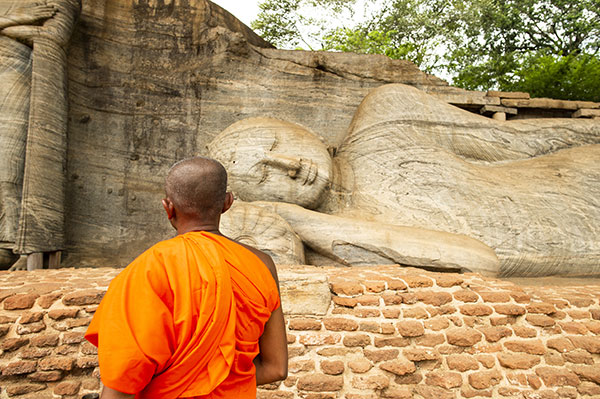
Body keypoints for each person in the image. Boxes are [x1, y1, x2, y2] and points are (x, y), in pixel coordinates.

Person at [208, 84, 600, 277]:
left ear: (294, 125)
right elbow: (478, 261)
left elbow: (522, 140)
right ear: (252, 203)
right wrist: (295, 220)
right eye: (262, 174)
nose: (287, 163)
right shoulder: (347, 239)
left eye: (276, 142)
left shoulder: (385, 118)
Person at [84, 157, 288, 399]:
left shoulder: (149, 268)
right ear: (227, 202)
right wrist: (224, 382)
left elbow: (123, 380)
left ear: (168, 207)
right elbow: (276, 368)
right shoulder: (261, 264)